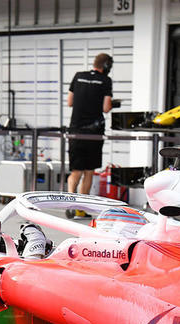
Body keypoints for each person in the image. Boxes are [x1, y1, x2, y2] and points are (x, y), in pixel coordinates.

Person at [66, 53, 114, 217]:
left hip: (75, 130)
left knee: (75, 171)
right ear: (106, 66)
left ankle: (69, 202)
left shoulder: (78, 76)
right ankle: (80, 209)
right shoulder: (106, 81)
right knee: (88, 171)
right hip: (94, 132)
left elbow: (70, 102)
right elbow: (106, 108)